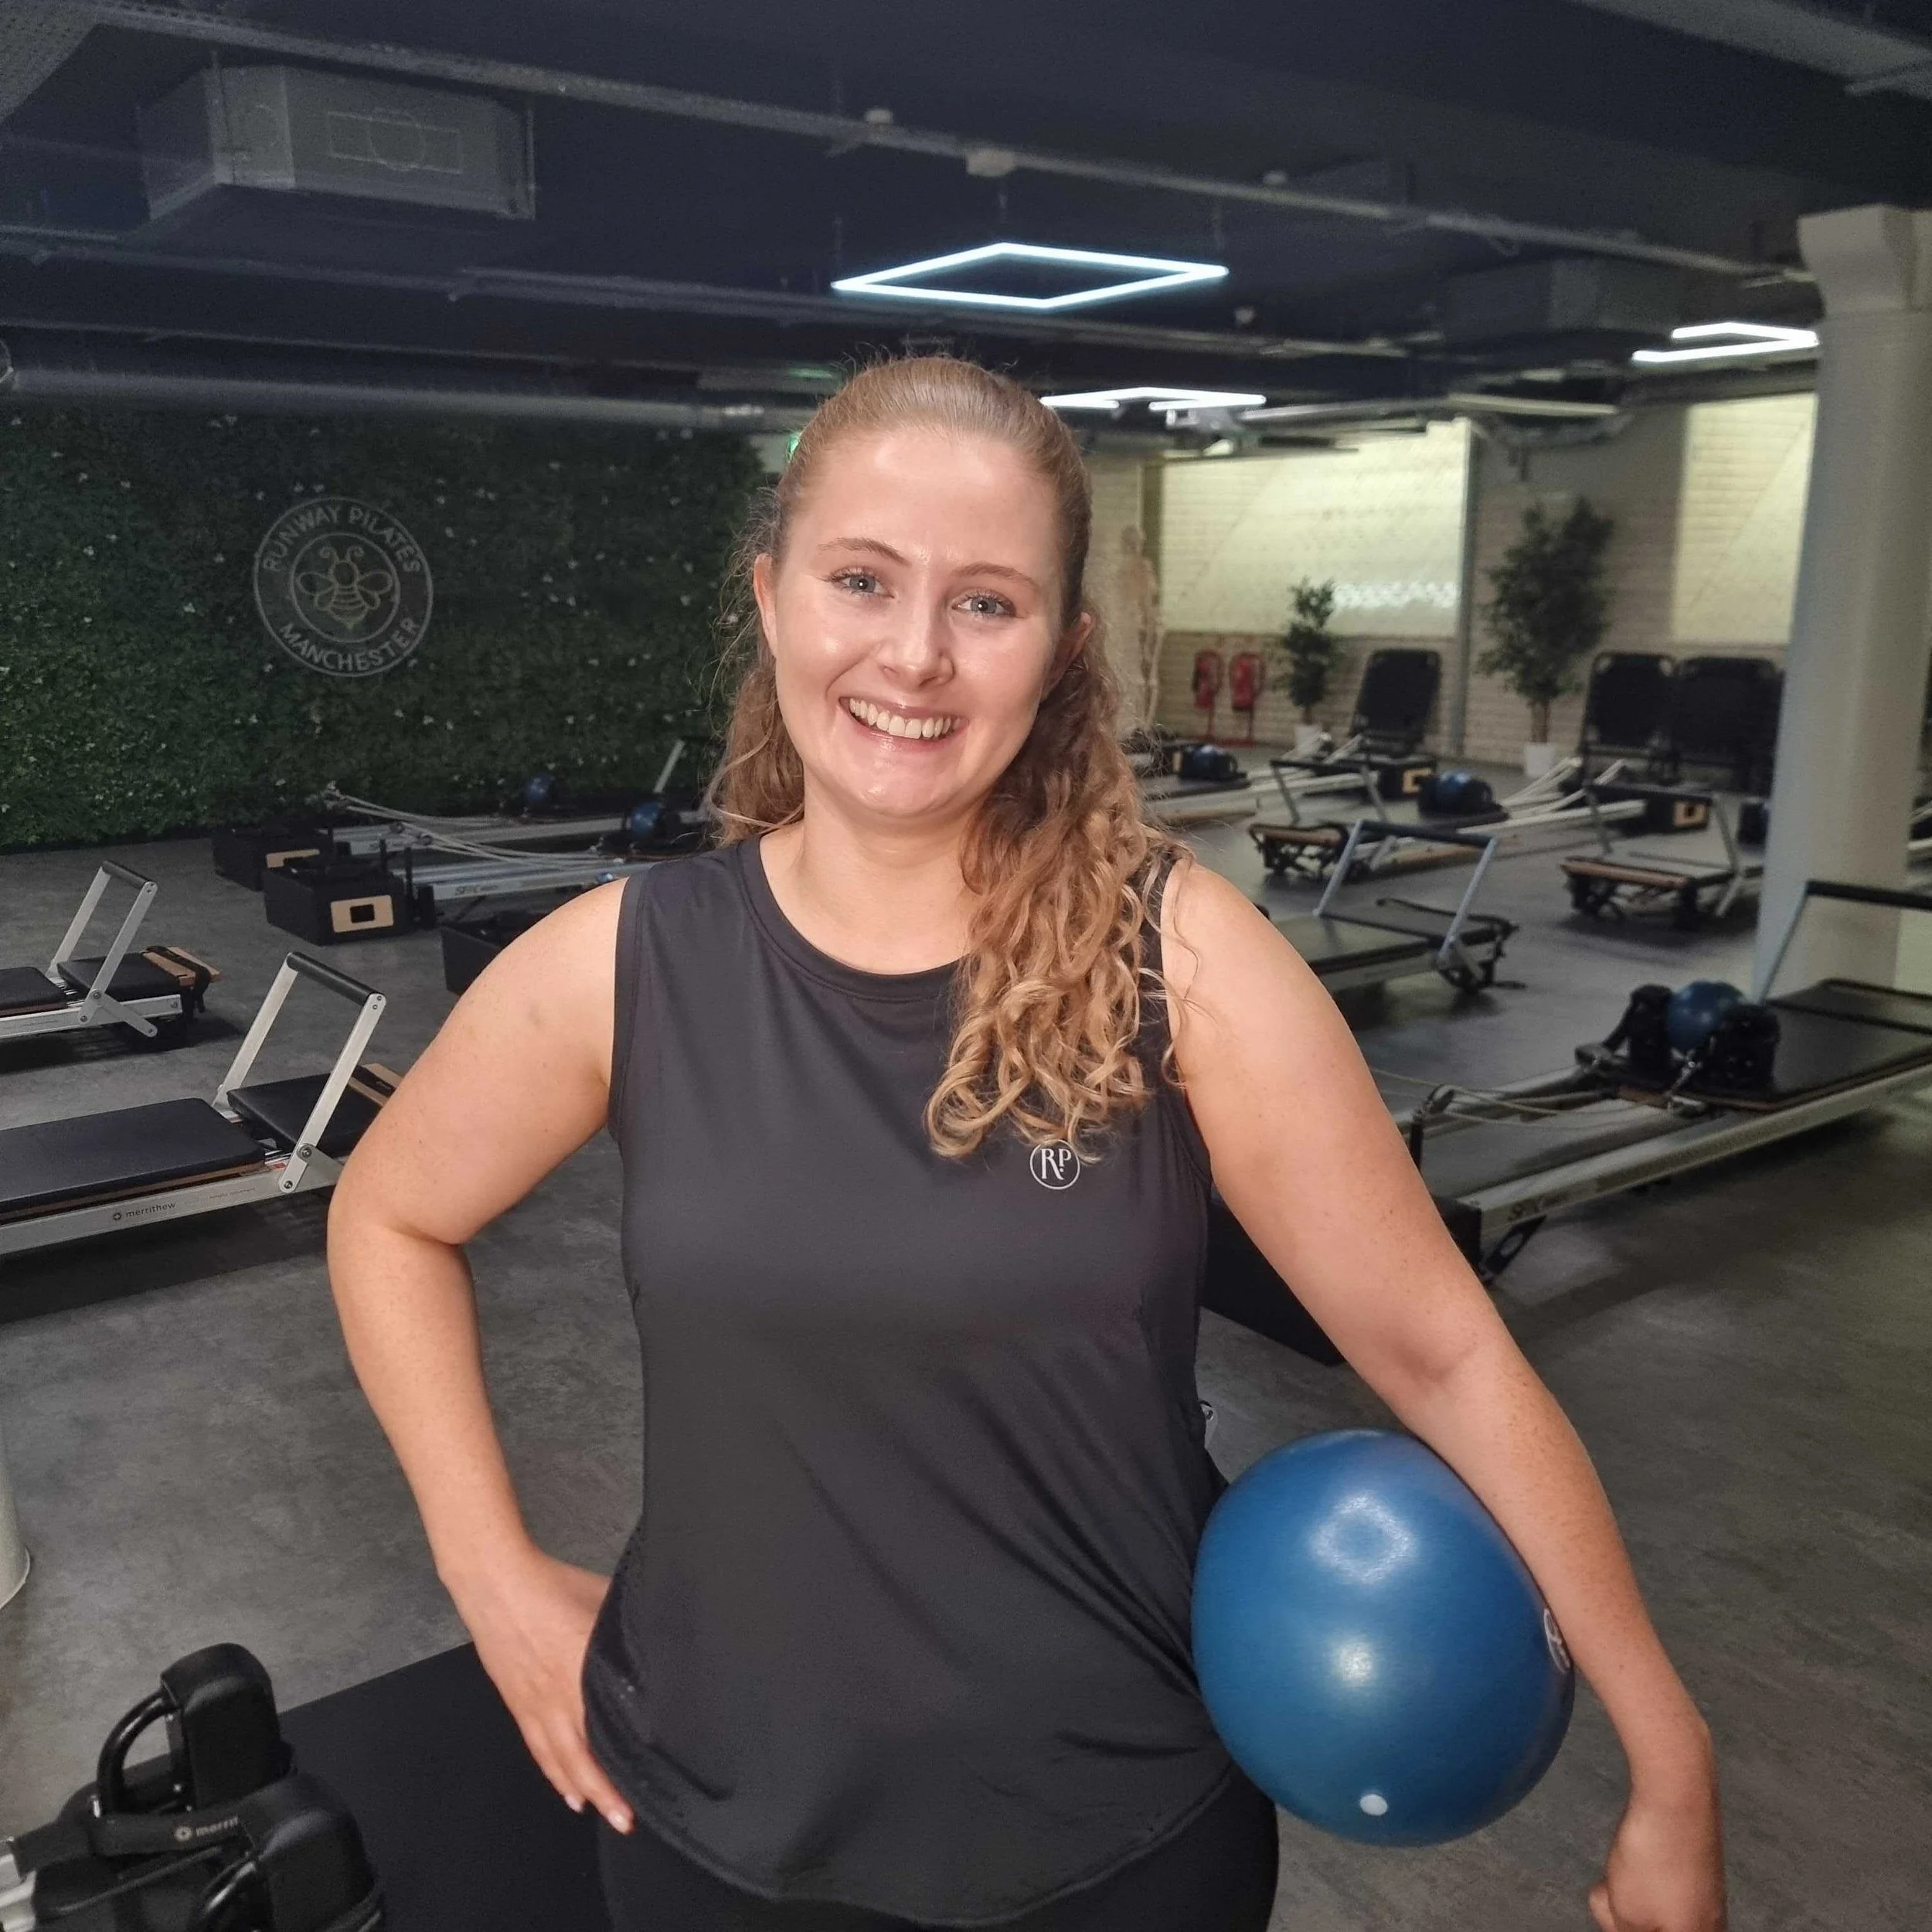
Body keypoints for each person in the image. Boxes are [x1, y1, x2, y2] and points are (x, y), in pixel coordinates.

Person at [326, 356, 1725, 1932]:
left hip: (1118, 1840)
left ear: (1059, 654)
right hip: (713, 1829)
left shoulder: (1179, 964)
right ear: (774, 594)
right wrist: (489, 1569)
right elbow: (386, 1215)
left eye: (983, 603)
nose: (912, 655)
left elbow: (1440, 1351)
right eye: (862, 578)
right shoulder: (624, 961)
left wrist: (1668, 1755)